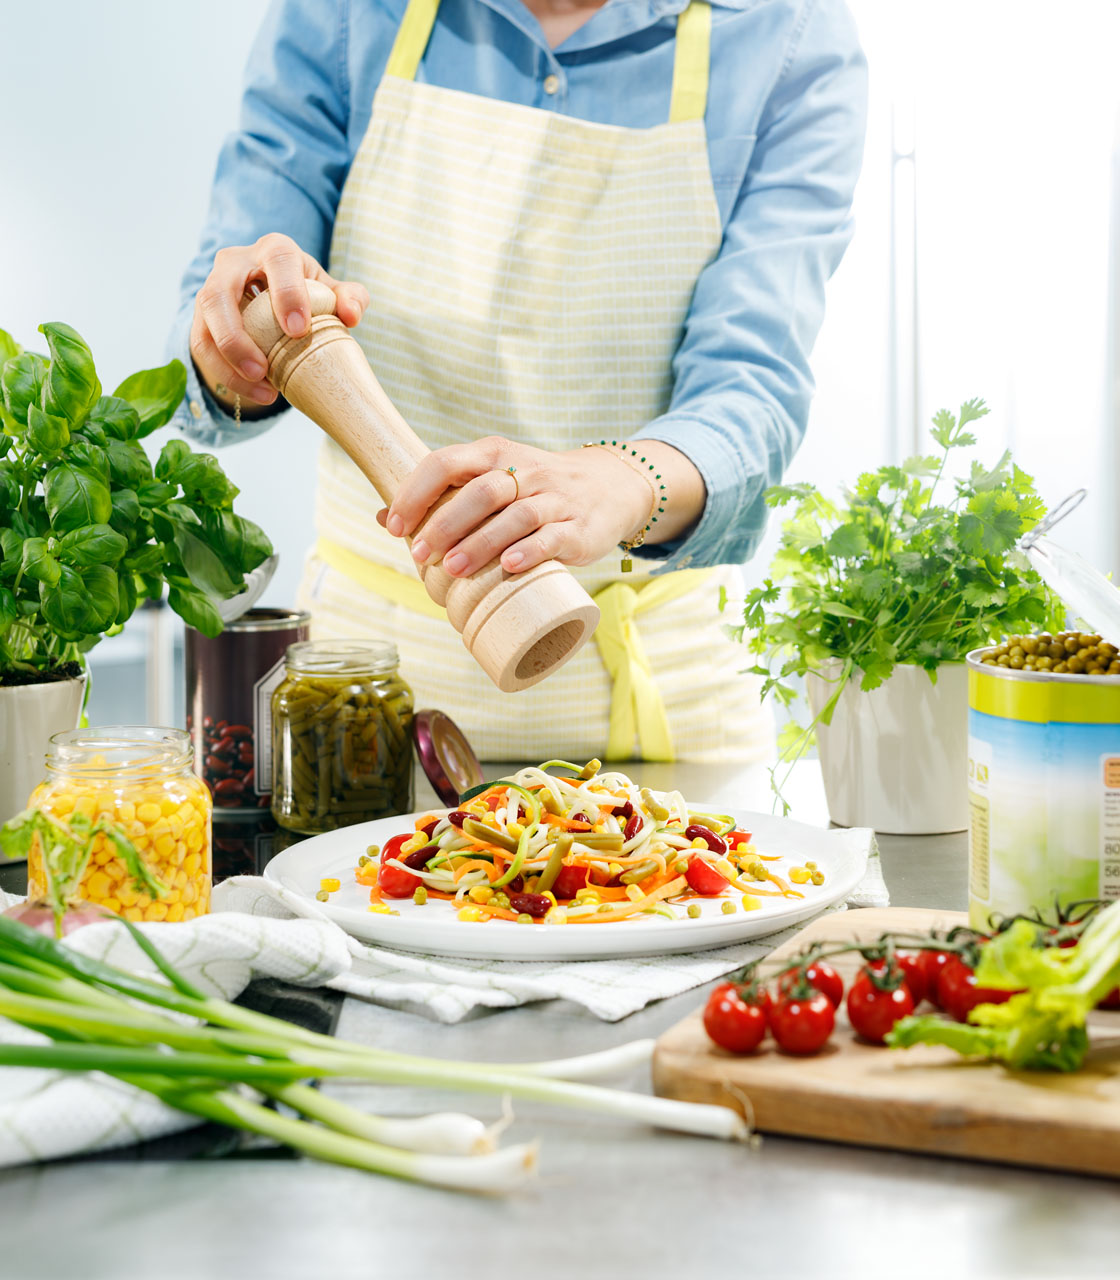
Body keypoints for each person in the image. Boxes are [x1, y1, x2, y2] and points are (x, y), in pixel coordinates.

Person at [173, 0, 867, 763]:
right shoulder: (340, 14)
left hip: (662, 712)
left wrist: (626, 479)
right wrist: (229, 344)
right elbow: (225, 347)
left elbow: (753, 387)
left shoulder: (789, 34)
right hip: (362, 699)